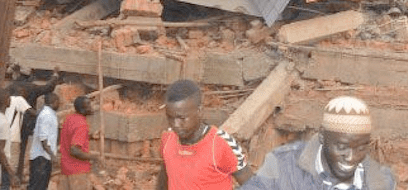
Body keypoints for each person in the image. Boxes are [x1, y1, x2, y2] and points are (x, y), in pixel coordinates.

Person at [239, 96, 395, 190]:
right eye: (341, 147)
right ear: (322, 136)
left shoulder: (380, 181)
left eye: (361, 148)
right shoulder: (282, 164)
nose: (351, 157)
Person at [156, 80, 251, 190]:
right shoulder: (168, 138)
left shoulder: (221, 143)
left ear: (200, 111)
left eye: (182, 118)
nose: (175, 125)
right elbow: (165, 175)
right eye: (170, 118)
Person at [11, 68, 60, 180]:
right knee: (22, 149)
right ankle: (18, 174)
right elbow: (48, 87)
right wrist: (55, 75)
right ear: (30, 77)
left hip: (11, 123)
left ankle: (12, 175)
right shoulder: (31, 87)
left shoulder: (11, 87)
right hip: (26, 122)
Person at [58, 96, 97, 190]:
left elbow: (70, 136)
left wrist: (89, 136)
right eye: (88, 105)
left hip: (66, 168)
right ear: (82, 109)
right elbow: (74, 151)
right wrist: (95, 158)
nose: (91, 107)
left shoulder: (70, 118)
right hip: (78, 171)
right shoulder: (82, 124)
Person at [28, 93, 59, 190]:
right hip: (41, 158)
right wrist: (53, 156)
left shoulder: (48, 114)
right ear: (54, 102)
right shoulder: (47, 115)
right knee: (38, 186)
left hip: (44, 157)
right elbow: (43, 139)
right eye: (58, 102)